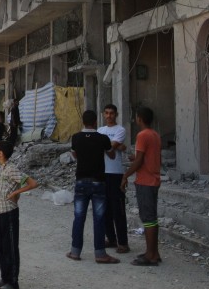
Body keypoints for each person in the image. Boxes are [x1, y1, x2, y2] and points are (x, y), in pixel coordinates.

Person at [66, 110, 119, 263]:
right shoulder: (102, 138)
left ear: (83, 121)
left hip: (81, 180)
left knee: (79, 217)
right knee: (99, 218)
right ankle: (100, 253)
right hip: (98, 181)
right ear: (96, 122)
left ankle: (75, 251)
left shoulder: (76, 138)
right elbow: (112, 155)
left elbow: (74, 155)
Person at [0, 139, 38, 289]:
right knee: (1, 247)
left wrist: (16, 193)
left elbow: (32, 183)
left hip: (10, 213)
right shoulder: (2, 169)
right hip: (0, 212)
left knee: (11, 248)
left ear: (1, 153)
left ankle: (13, 283)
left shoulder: (11, 169)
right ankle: (5, 277)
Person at [121, 106, 162, 266]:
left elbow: (139, 161)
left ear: (139, 118)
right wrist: (136, 157)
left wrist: (125, 175)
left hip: (145, 180)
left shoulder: (142, 135)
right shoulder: (155, 135)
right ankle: (153, 251)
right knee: (151, 217)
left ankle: (150, 255)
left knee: (148, 218)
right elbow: (144, 157)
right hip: (153, 179)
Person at [97, 104, 129, 252]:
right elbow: (110, 146)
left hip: (116, 173)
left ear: (116, 115)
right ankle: (111, 239)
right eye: (107, 113)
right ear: (103, 114)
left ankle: (123, 242)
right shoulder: (100, 130)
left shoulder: (120, 130)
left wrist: (115, 145)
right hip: (102, 173)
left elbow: (112, 145)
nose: (109, 116)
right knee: (105, 209)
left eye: (112, 113)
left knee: (118, 210)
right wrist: (114, 146)